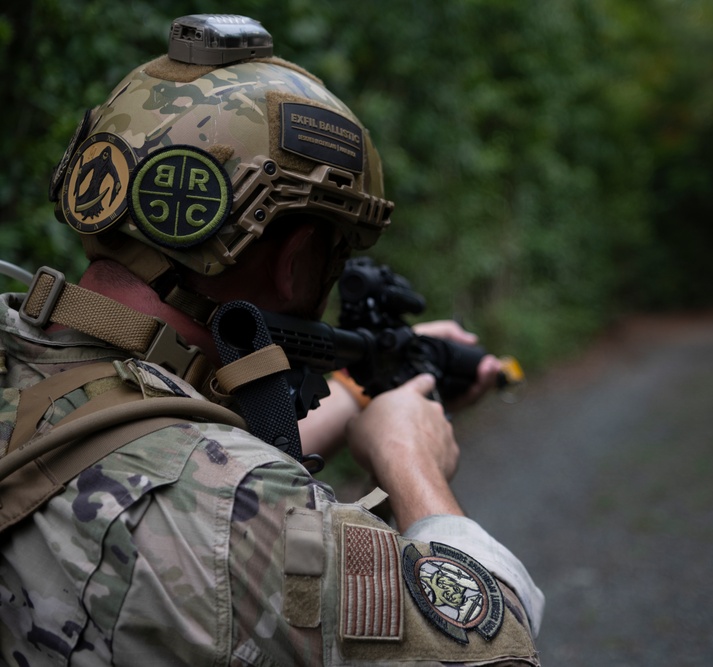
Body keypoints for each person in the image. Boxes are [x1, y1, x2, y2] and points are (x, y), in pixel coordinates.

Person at [0, 14, 542, 665]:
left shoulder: (24, 367)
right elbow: (495, 649)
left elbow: (158, 461)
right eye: (332, 254)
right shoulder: (248, 521)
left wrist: (354, 392)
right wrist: (411, 461)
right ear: (299, 259)